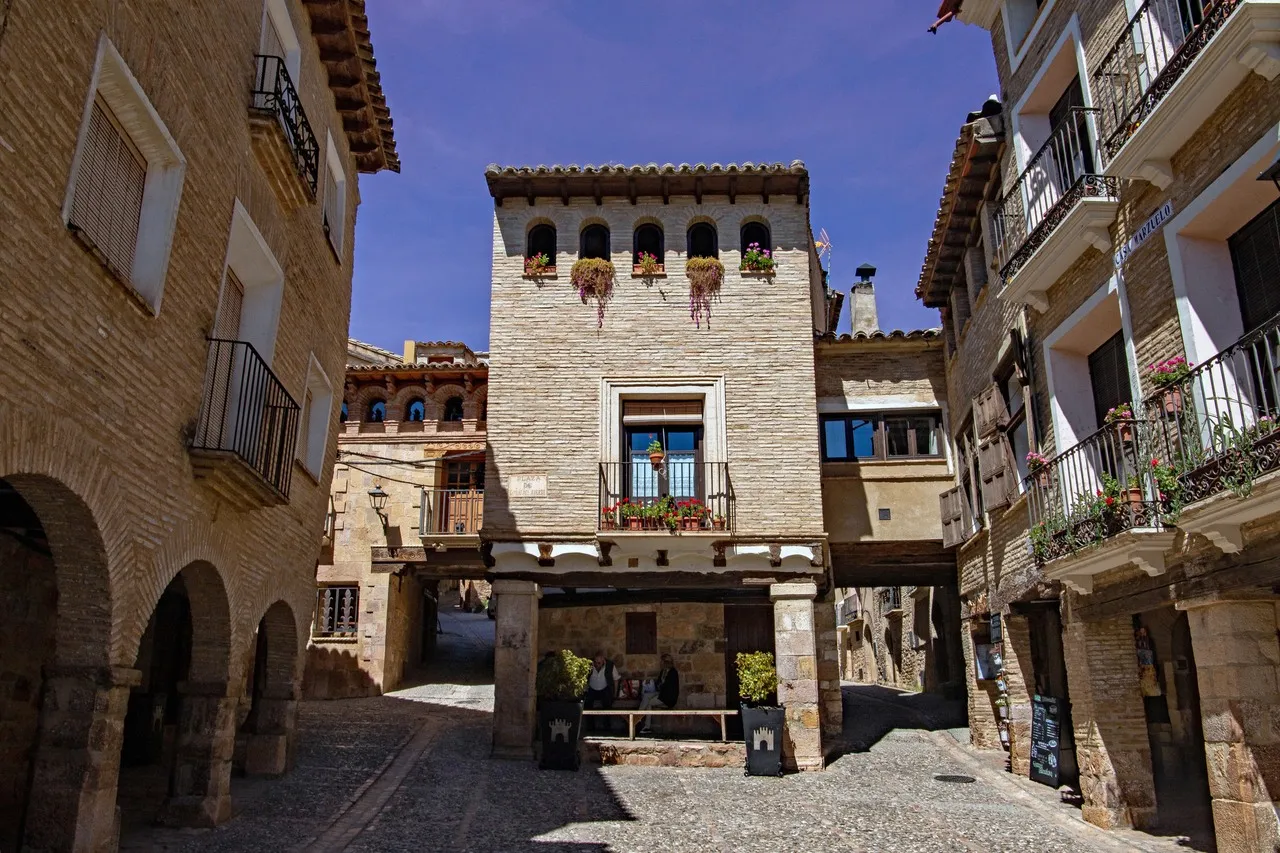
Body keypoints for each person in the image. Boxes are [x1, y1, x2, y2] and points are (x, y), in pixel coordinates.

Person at [639, 653, 679, 734]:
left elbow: (669, 688)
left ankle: (647, 726)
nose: (660, 663)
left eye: (662, 662)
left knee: (649, 703)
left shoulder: (673, 673)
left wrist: (661, 686)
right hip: (661, 693)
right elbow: (659, 683)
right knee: (646, 696)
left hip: (667, 698)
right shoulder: (663, 672)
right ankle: (638, 715)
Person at [583, 652, 618, 733]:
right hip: (592, 689)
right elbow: (583, 678)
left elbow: (616, 679)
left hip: (604, 689)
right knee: (587, 703)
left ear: (603, 662)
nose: (596, 664)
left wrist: (615, 693)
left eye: (599, 663)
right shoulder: (589, 664)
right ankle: (590, 727)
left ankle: (607, 727)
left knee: (607, 704)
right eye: (595, 662)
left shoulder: (610, 665)